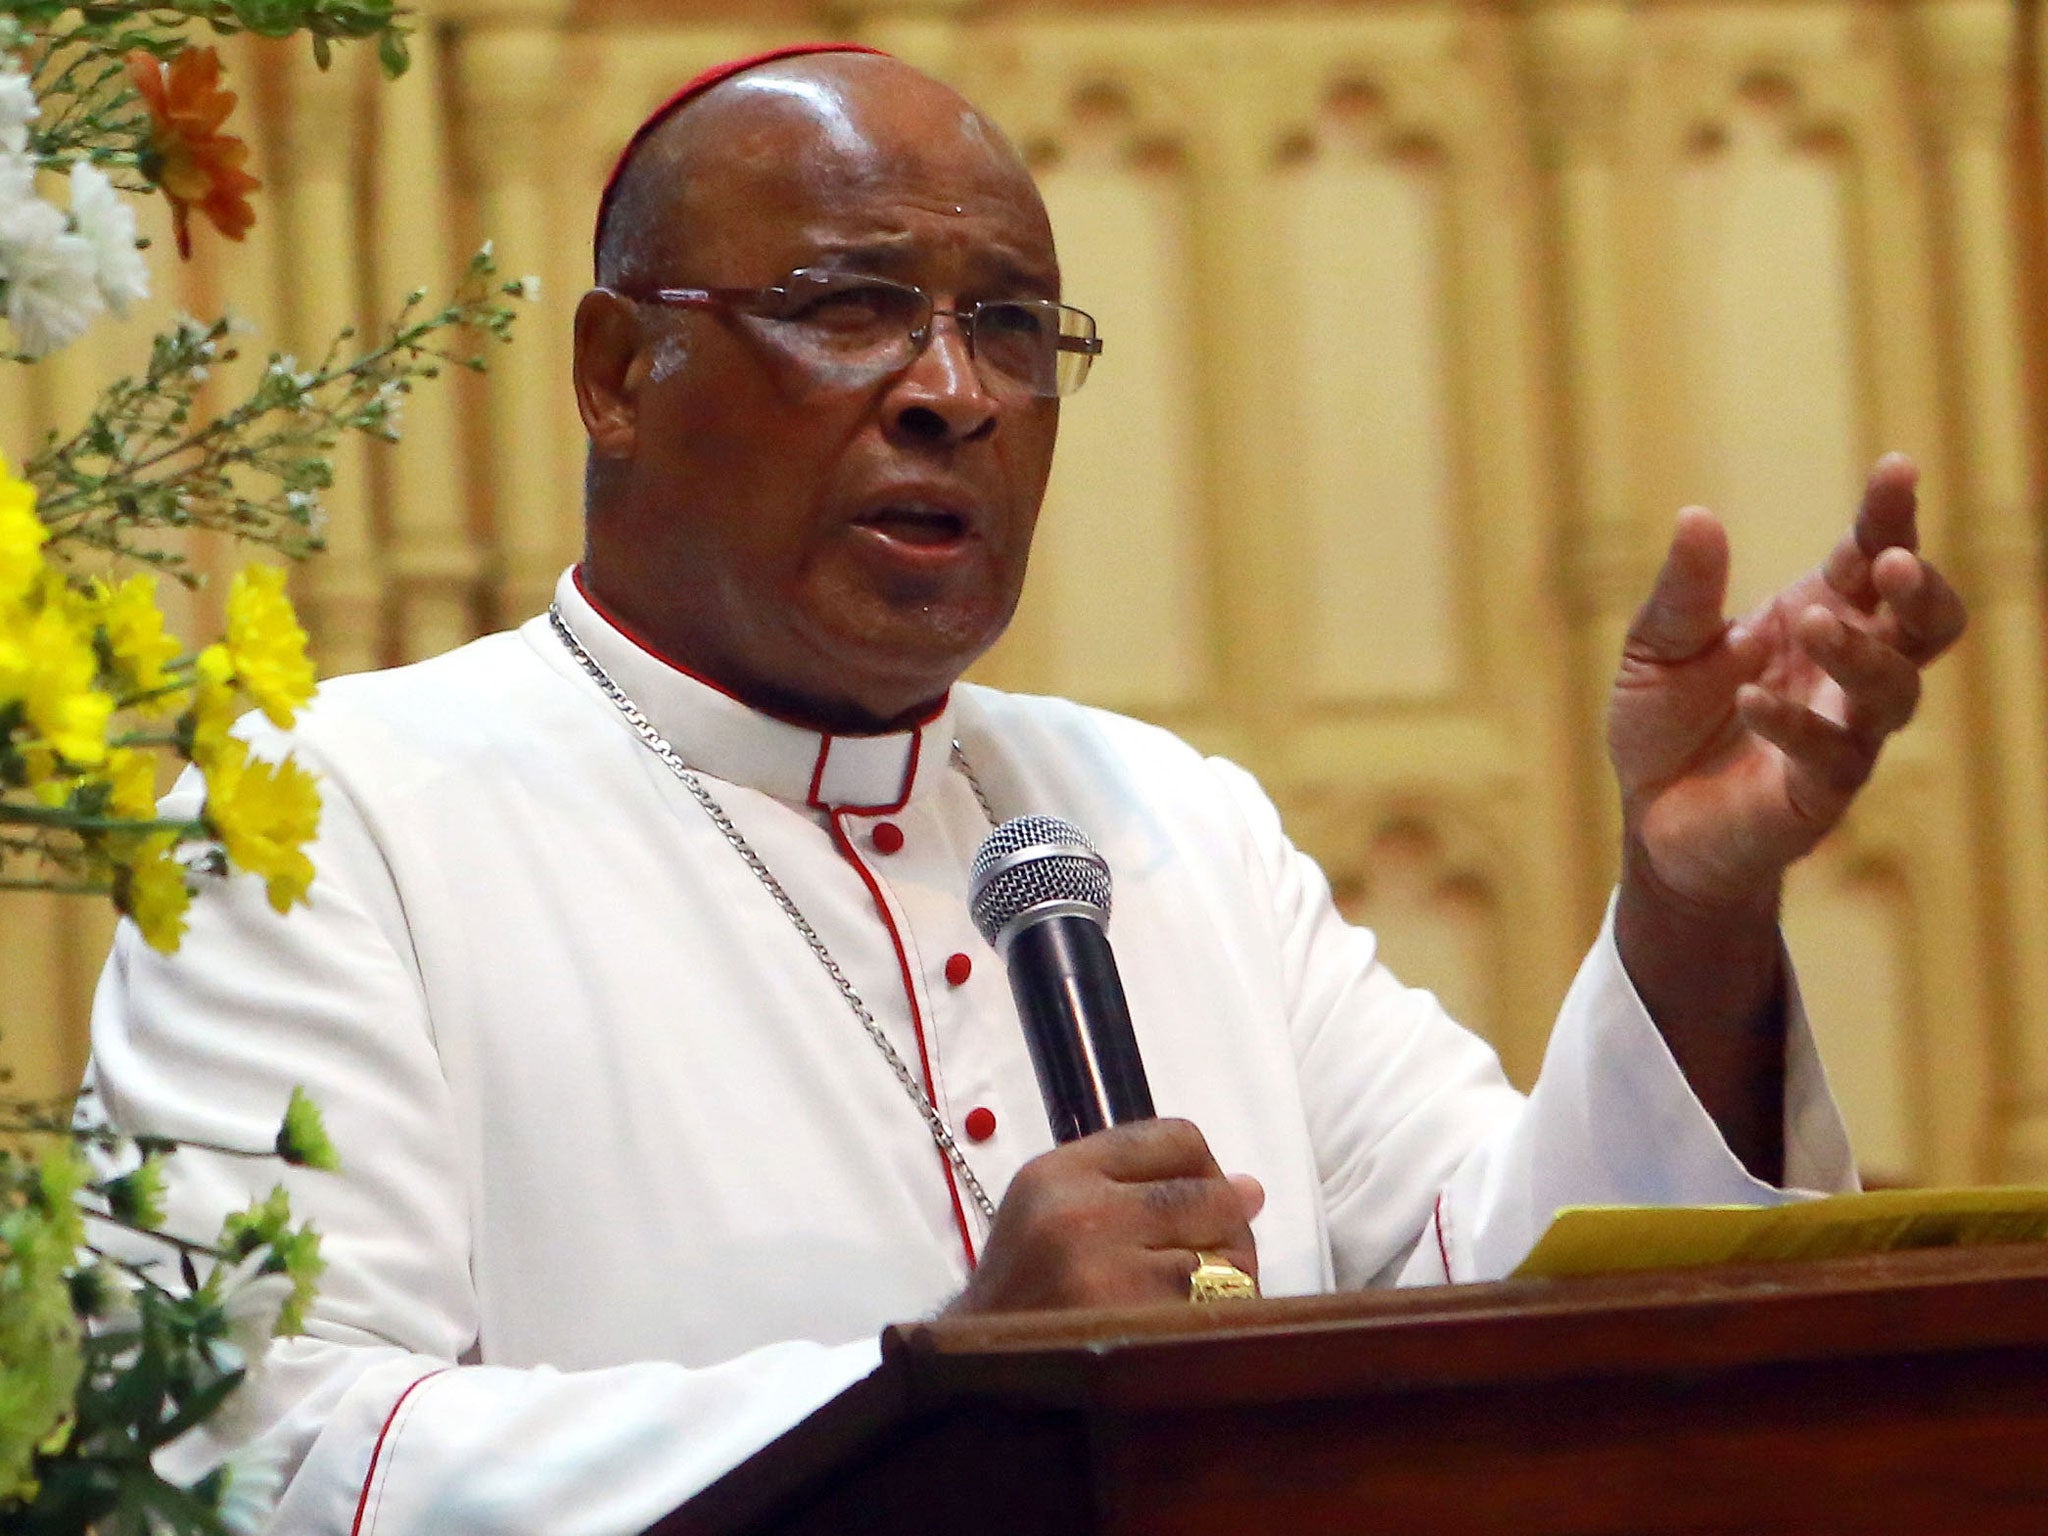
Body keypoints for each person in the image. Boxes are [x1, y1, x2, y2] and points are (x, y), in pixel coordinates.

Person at [87, 43, 1967, 1536]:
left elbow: (1510, 1305)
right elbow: (262, 1452)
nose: (952, 392)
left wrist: (1693, 902)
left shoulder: (1168, 822)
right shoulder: (338, 811)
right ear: (617, 372)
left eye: (1009, 328)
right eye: (852, 305)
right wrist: (941, 1402)